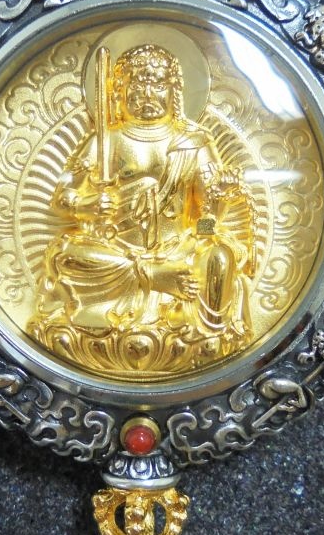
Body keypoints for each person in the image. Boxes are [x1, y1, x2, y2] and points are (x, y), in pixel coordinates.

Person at [28, 42, 256, 371]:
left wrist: (216, 205)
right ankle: (152, 278)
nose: (147, 93)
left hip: (178, 250)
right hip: (114, 250)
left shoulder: (193, 143)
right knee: (66, 255)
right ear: (119, 92)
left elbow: (205, 223)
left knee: (219, 257)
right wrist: (87, 205)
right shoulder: (106, 140)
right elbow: (63, 197)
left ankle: (209, 334)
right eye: (136, 85)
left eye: (157, 84)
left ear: (174, 91)